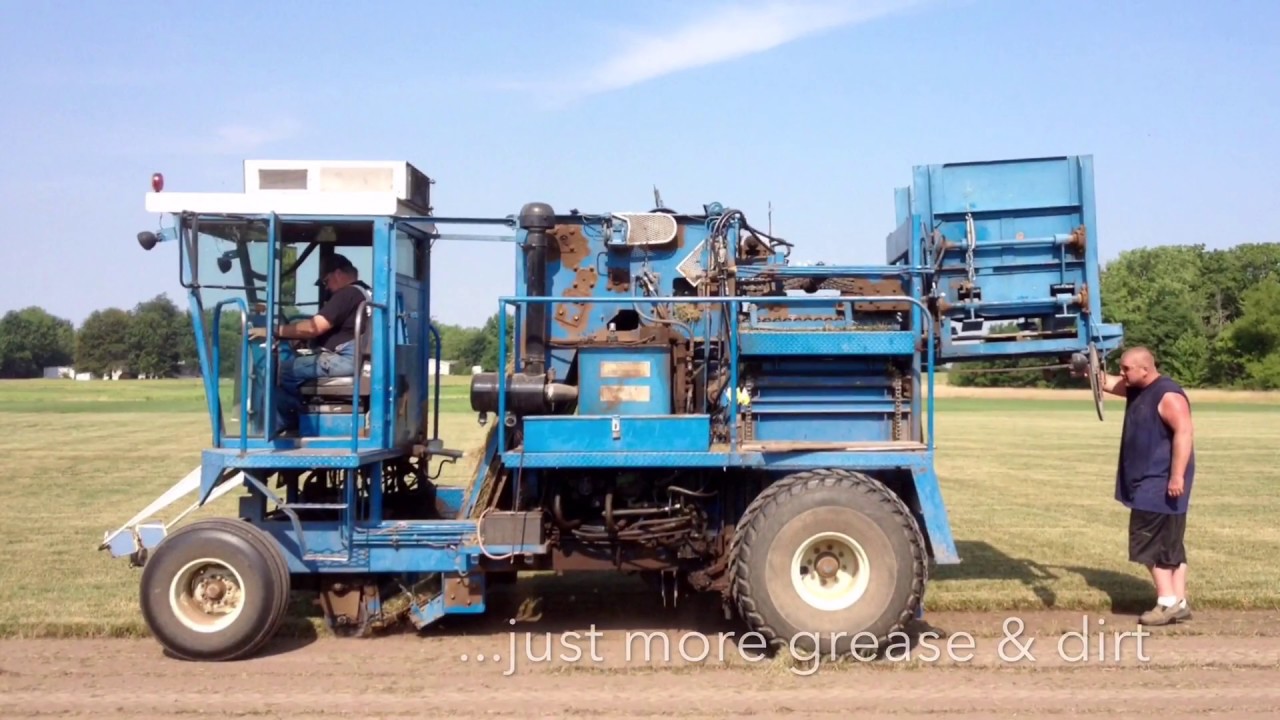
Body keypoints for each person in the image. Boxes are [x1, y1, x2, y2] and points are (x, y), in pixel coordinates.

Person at [1087, 346, 1196, 626]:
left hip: (1160, 480)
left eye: (1126, 369)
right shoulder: (1138, 387)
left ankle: (1166, 602)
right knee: (1171, 544)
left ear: (1145, 369)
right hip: (1152, 479)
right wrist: (1080, 367)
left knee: (1148, 541)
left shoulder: (1168, 395)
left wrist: (1176, 476)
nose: (1121, 374)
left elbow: (1184, 433)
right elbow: (1105, 382)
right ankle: (1180, 601)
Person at [250, 253, 371, 433]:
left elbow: (315, 327)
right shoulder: (365, 292)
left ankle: (294, 419)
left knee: (283, 371)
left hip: (345, 360)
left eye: (326, 281)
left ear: (338, 274)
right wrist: (301, 338)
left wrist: (274, 331)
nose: (327, 288)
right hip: (354, 359)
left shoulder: (347, 293)